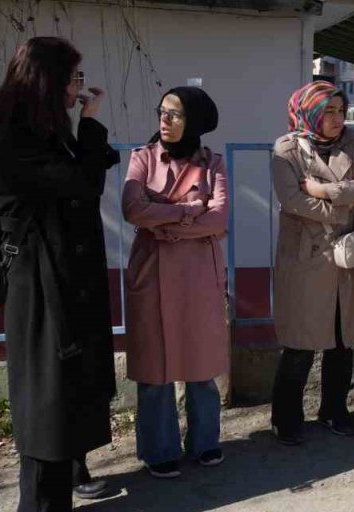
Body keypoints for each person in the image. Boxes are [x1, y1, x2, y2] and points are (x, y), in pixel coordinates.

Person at [0, 37, 119, 511]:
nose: (75, 88)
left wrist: (86, 129)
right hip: (42, 288)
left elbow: (89, 173)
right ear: (47, 81)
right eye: (70, 79)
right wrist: (91, 125)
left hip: (64, 281)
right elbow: (82, 186)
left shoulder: (47, 129)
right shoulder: (18, 137)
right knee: (47, 412)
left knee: (64, 407)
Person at [121, 86, 228, 477]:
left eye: (175, 114)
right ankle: (159, 449)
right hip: (152, 273)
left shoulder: (212, 164)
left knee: (201, 366)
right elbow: (133, 209)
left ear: (195, 122)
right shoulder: (142, 159)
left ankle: (205, 442)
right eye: (162, 112)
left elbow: (218, 219)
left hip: (200, 274)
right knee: (154, 369)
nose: (164, 121)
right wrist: (187, 212)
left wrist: (165, 222)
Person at [270, 82, 354, 443]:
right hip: (307, 258)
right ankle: (286, 418)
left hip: (347, 256)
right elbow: (292, 200)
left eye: (339, 109)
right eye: (328, 111)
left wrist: (326, 191)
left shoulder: (352, 138)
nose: (336, 118)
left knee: (343, 338)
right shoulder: (286, 148)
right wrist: (344, 206)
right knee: (300, 344)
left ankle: (334, 409)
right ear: (309, 112)